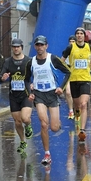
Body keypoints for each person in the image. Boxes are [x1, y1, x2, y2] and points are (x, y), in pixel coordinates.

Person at [26, 35, 71, 166]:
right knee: (44, 124)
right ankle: (47, 154)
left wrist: (61, 87)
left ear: (46, 46)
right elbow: (26, 78)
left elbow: (68, 72)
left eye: (42, 45)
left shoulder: (53, 59)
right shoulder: (31, 62)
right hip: (39, 95)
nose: (39, 47)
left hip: (52, 94)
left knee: (54, 127)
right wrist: (30, 89)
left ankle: (58, 123)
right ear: (35, 47)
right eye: (37, 45)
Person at [61, 27, 91, 142]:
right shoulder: (70, 47)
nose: (79, 35)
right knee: (77, 105)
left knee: (83, 104)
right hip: (74, 79)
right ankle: (76, 111)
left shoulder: (89, 47)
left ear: (84, 36)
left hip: (86, 79)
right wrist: (66, 70)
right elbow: (61, 60)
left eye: (81, 34)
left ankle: (82, 130)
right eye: (77, 34)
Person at [0, 38, 33, 156]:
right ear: (12, 48)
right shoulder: (8, 62)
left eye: (18, 46)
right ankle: (23, 141)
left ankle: (28, 126)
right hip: (14, 95)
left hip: (26, 94)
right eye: (14, 47)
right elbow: (0, 76)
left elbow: (35, 74)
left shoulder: (28, 61)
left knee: (25, 118)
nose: (16, 48)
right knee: (17, 122)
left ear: (22, 47)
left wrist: (33, 84)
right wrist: (2, 78)